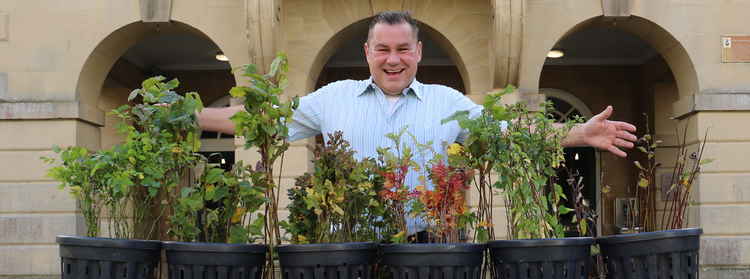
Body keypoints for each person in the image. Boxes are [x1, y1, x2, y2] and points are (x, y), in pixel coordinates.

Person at [198, 10, 637, 188]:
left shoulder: (448, 102)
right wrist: (194, 116)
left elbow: (511, 131)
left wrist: (577, 131)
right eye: (383, 50)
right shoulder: (332, 98)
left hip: (427, 252)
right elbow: (262, 121)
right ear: (368, 53)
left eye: (403, 49)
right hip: (350, 248)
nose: (394, 60)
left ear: (418, 53)